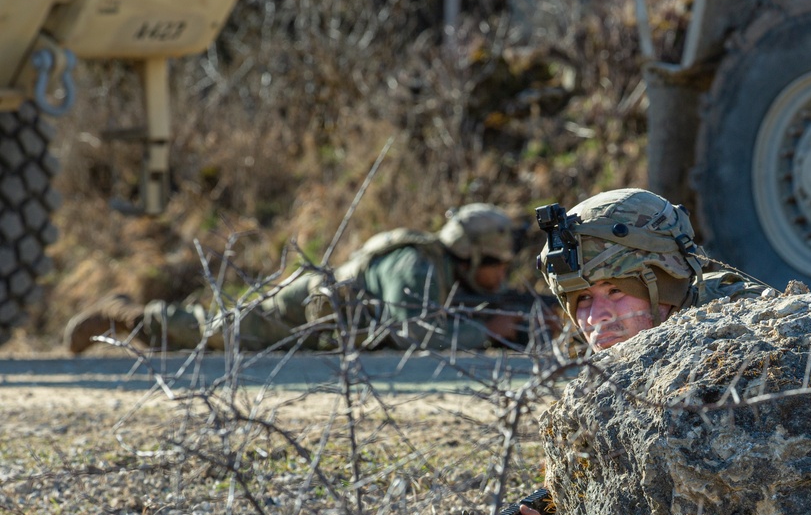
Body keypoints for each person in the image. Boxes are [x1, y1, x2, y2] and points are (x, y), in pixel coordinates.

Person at [491, 187, 770, 515]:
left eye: (615, 291)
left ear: (666, 283)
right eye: (582, 298)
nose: (596, 318)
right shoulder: (628, 368)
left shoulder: (731, 355)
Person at [64, 203, 530, 354]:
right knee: (210, 333)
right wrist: (488, 331)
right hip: (296, 312)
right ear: (470, 256)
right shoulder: (416, 265)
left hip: (321, 327)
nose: (501, 274)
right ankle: (121, 313)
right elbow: (415, 330)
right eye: (496, 264)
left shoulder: (443, 270)